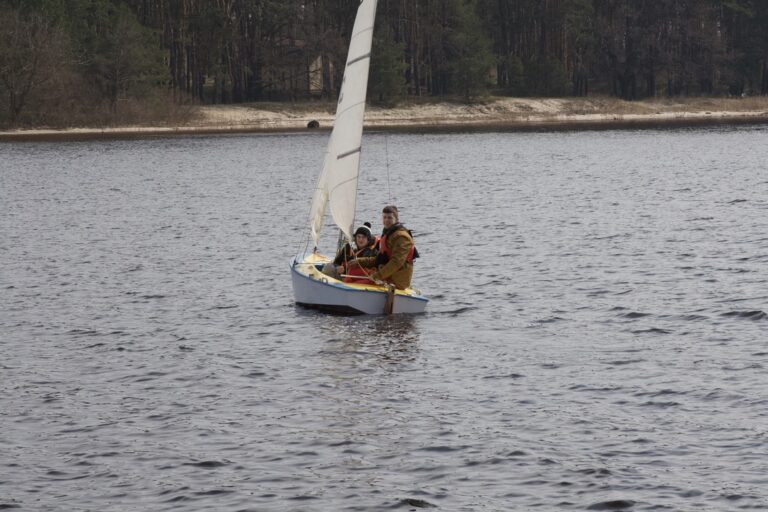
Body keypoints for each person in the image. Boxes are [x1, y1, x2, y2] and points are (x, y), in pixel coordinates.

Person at [352, 205, 418, 290]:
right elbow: (379, 259)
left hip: (397, 281)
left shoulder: (402, 237)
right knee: (353, 270)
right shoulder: (388, 233)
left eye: (390, 218)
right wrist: (359, 261)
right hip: (386, 275)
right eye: (384, 217)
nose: (386, 220)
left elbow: (396, 262)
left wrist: (377, 276)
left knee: (357, 282)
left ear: (396, 219)